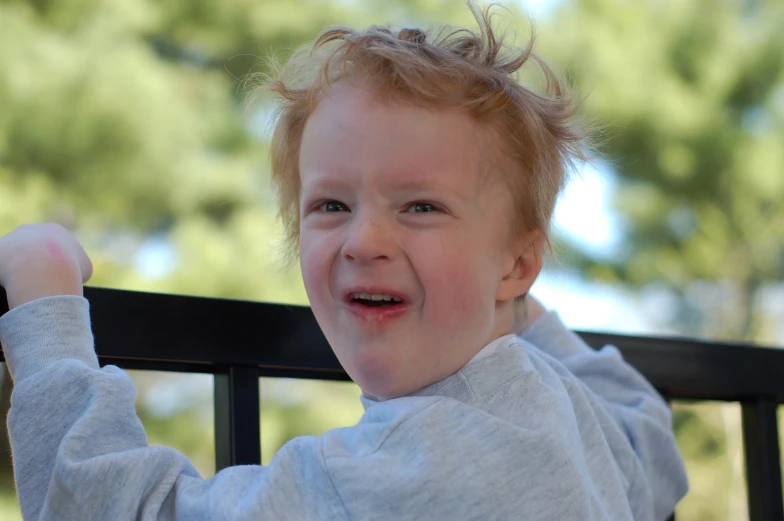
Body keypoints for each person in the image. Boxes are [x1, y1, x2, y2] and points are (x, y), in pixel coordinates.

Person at [0, 2, 688, 520]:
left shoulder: (405, 469)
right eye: (330, 206)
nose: (363, 241)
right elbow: (648, 432)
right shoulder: (562, 421)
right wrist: (507, 298)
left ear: (519, 264)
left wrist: (47, 311)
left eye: (419, 207)